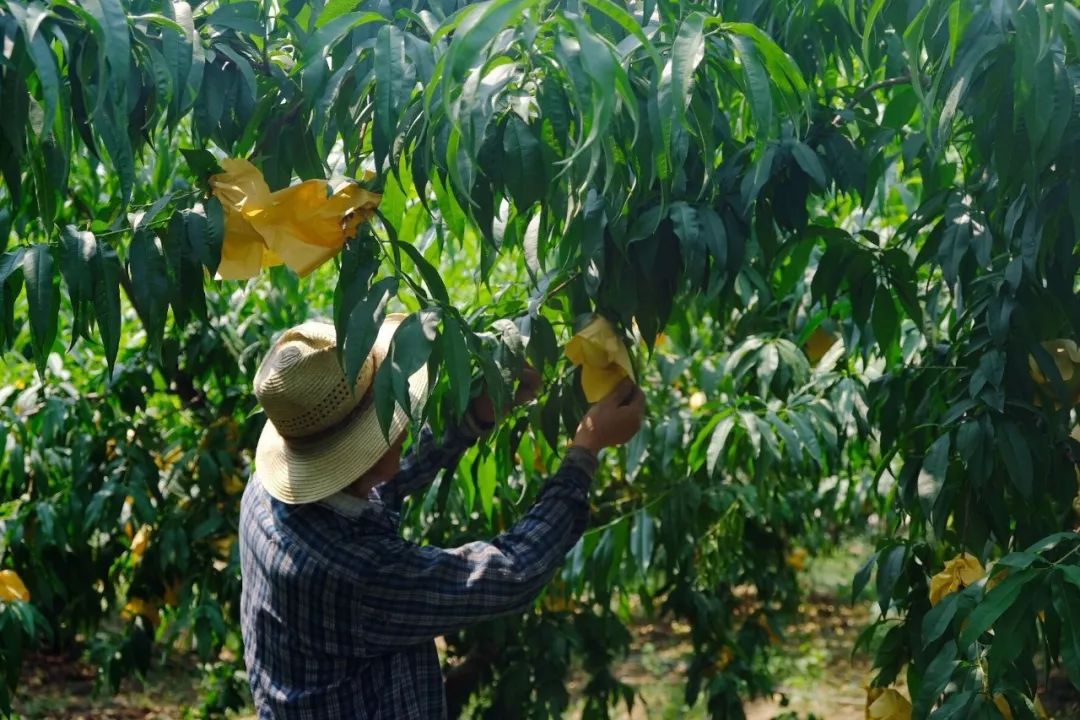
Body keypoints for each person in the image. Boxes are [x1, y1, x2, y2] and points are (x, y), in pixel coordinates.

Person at [239, 314, 646, 719]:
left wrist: (475, 414)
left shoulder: (268, 491)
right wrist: (585, 451)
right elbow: (511, 573)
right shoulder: (356, 574)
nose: (405, 419)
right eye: (393, 410)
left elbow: (379, 482)